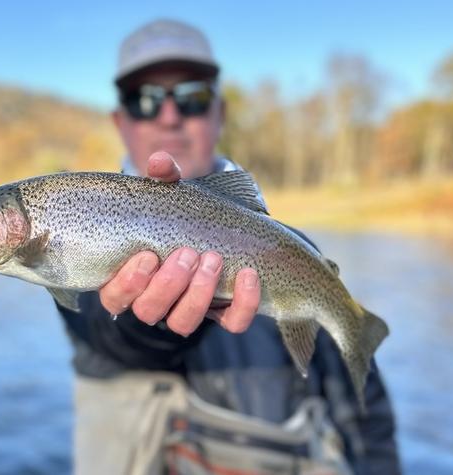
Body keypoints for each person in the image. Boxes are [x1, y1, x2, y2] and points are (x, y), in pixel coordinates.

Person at [55, 19, 400, 475]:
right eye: (145, 100)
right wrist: (153, 321)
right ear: (121, 122)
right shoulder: (76, 231)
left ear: (220, 114)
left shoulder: (293, 251)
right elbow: (110, 340)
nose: (169, 115)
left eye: (192, 97)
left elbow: (364, 418)